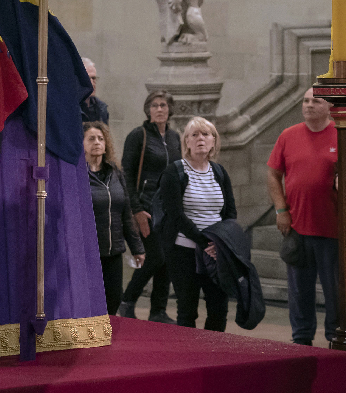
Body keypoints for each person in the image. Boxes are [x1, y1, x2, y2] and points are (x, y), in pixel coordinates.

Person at [267, 87, 346, 345]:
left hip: (333, 230)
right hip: (296, 227)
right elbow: (273, 174)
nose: (308, 105)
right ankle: (302, 340)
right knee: (299, 292)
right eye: (305, 100)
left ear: (329, 106)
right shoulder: (288, 135)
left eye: (315, 101)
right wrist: (281, 209)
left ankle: (335, 340)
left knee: (335, 294)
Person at [156, 116, 236, 331]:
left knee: (219, 308)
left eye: (206, 134)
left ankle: (213, 355)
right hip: (184, 250)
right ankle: (188, 355)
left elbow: (229, 213)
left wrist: (220, 243)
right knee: (187, 308)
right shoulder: (174, 172)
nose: (200, 138)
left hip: (215, 251)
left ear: (214, 141)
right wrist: (204, 242)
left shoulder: (219, 172)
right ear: (186, 142)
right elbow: (176, 215)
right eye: (194, 135)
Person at [120, 90, 181, 322]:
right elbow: (126, 173)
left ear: (169, 109)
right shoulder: (139, 135)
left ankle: (158, 311)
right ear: (148, 110)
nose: (159, 109)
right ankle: (127, 301)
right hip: (144, 208)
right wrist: (135, 210)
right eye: (154, 105)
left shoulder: (175, 138)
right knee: (154, 257)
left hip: (167, 209)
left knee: (167, 259)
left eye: (163, 105)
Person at [84, 121, 144, 315]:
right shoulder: (76, 175)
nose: (97, 142)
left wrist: (137, 248)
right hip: (87, 252)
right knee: (90, 303)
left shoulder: (115, 173)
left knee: (113, 300)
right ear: (81, 143)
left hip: (113, 251)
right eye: (91, 138)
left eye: (101, 139)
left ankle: (105, 342)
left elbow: (126, 213)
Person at [79, 57, 109, 124]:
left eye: (94, 78)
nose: (92, 83)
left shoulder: (101, 109)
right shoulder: (68, 108)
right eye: (87, 78)